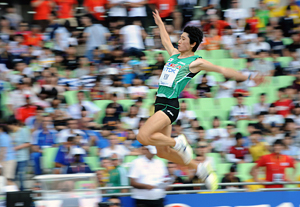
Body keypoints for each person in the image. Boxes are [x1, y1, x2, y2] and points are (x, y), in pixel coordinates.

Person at [136, 10, 264, 191]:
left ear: (192, 44)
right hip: (159, 105)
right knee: (162, 152)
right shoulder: (173, 55)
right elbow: (165, 40)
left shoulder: (195, 62)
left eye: (183, 40)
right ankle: (200, 168)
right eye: (179, 38)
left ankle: (177, 142)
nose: (179, 41)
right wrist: (160, 24)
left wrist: (248, 76)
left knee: (142, 136)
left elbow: (222, 70)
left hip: (169, 106)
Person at [7, 116, 31, 191]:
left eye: (10, 126)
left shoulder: (23, 131)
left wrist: (16, 148)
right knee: (13, 177)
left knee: (21, 176)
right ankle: (14, 191)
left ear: (14, 124)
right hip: (13, 158)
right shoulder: (10, 133)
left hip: (22, 157)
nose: (9, 128)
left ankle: (22, 191)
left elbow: (28, 143)